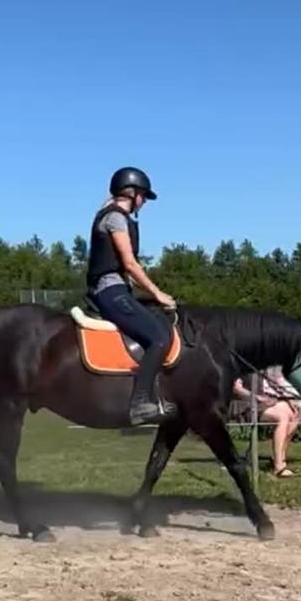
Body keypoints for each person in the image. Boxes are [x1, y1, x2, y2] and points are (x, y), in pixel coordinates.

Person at [86, 167, 178, 427]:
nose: (145, 201)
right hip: (110, 290)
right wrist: (158, 293)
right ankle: (140, 404)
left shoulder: (113, 216)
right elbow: (130, 264)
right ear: (132, 193)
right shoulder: (115, 219)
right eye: (144, 196)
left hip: (116, 289)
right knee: (159, 338)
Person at [231, 368, 301, 477]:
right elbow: (236, 389)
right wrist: (258, 398)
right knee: (283, 417)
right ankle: (279, 467)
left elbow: (275, 383)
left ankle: (279, 458)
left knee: (295, 413)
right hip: (245, 404)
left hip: (263, 402)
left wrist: (290, 399)